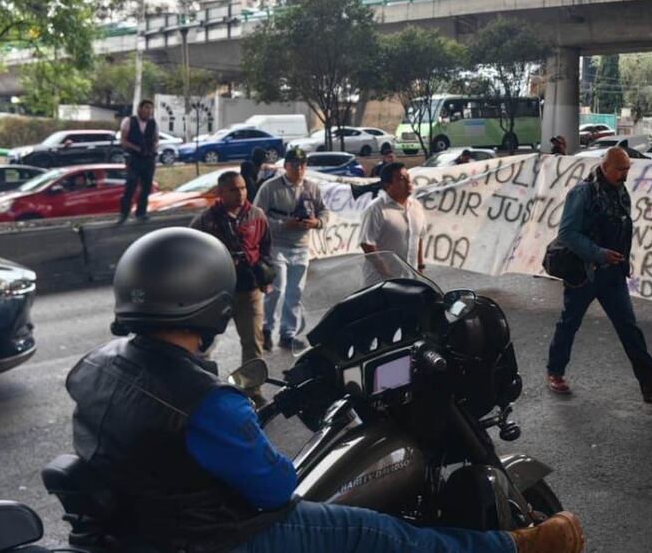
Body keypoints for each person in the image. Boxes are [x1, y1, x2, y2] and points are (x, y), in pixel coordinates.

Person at [65, 227, 584, 553]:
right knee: (381, 535)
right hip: (216, 538)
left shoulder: (95, 366)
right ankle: (518, 547)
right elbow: (275, 489)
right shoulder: (208, 402)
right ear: (213, 303)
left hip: (143, 526)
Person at [545, 147, 652, 402]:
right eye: (620, 169)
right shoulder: (582, 192)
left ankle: (650, 382)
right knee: (569, 324)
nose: (624, 174)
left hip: (612, 274)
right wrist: (599, 253)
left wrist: (622, 260)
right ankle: (555, 372)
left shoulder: (619, 190)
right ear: (605, 166)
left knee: (629, 328)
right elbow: (567, 233)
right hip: (584, 273)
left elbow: (622, 226)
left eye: (627, 169)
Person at [190, 171, 274, 406]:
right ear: (220, 192)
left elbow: (266, 246)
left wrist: (265, 274)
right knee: (202, 345)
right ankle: (200, 391)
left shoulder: (256, 215)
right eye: (234, 189)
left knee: (253, 343)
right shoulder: (206, 220)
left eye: (243, 188)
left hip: (249, 292)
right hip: (217, 294)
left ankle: (252, 391)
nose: (240, 194)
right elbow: (191, 248)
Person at [253, 147, 329, 352]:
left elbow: (324, 211)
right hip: (277, 245)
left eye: (303, 164)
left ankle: (288, 334)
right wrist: (282, 225)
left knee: (295, 292)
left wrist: (316, 222)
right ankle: (267, 329)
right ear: (286, 166)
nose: (299, 169)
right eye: (295, 164)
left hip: (301, 246)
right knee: (277, 289)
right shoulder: (270, 188)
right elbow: (257, 215)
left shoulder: (312, 188)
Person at [358, 162, 427, 272]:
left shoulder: (416, 206)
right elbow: (367, 244)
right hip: (382, 280)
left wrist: (420, 267)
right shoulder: (375, 209)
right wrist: (386, 273)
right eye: (401, 179)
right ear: (387, 186)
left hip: (411, 278)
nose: (408, 181)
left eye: (408, 177)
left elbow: (419, 237)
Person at [118, 99, 159, 222]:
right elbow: (123, 140)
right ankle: (124, 213)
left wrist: (153, 147)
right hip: (134, 159)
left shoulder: (153, 123)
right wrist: (136, 148)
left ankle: (141, 213)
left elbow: (156, 139)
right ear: (139, 109)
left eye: (150, 108)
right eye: (146, 108)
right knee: (130, 185)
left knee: (146, 186)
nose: (149, 111)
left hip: (148, 159)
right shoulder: (129, 121)